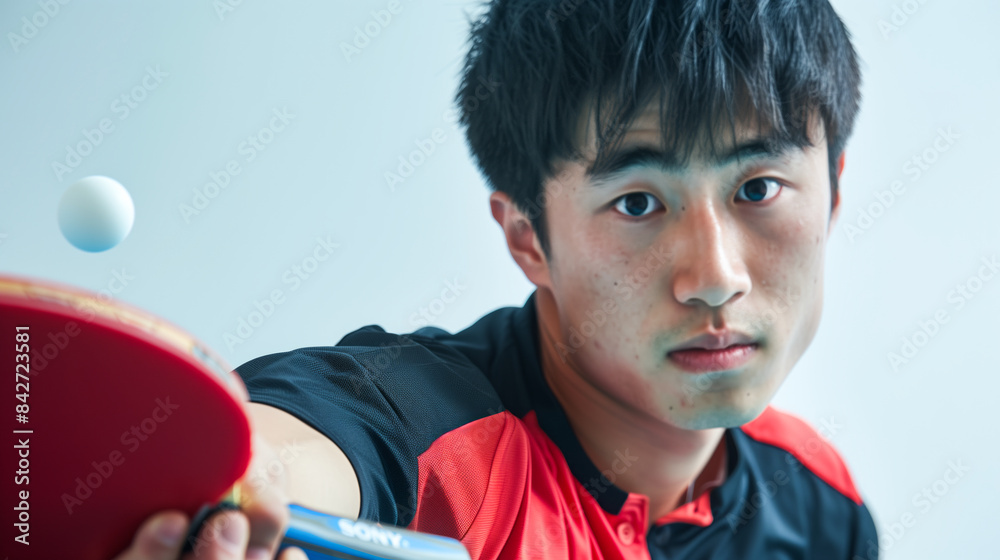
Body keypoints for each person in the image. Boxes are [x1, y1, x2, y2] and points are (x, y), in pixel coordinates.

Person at [119, 0, 878, 557]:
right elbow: (293, 448)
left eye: (758, 189)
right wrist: (227, 502)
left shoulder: (820, 507)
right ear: (527, 238)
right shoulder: (435, 434)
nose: (714, 277)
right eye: (638, 202)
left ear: (834, 193)